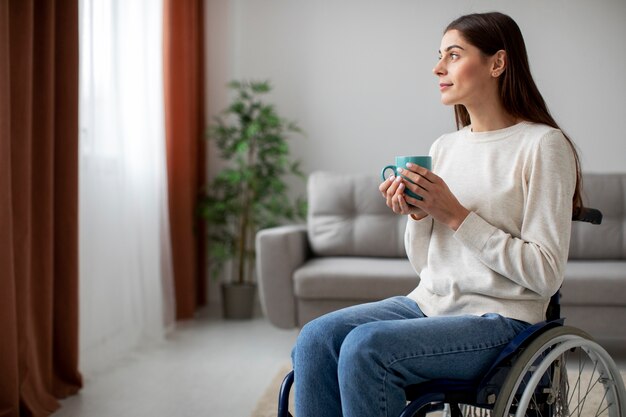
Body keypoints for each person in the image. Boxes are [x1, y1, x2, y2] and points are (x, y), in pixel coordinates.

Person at [291, 11, 582, 417]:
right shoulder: (446, 146)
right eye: (439, 55)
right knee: (316, 337)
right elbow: (427, 267)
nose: (437, 67)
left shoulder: (543, 146)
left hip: (502, 320)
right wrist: (418, 215)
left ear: (497, 63)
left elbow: (546, 274)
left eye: (454, 54)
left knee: (365, 347)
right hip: (429, 304)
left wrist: (456, 216)